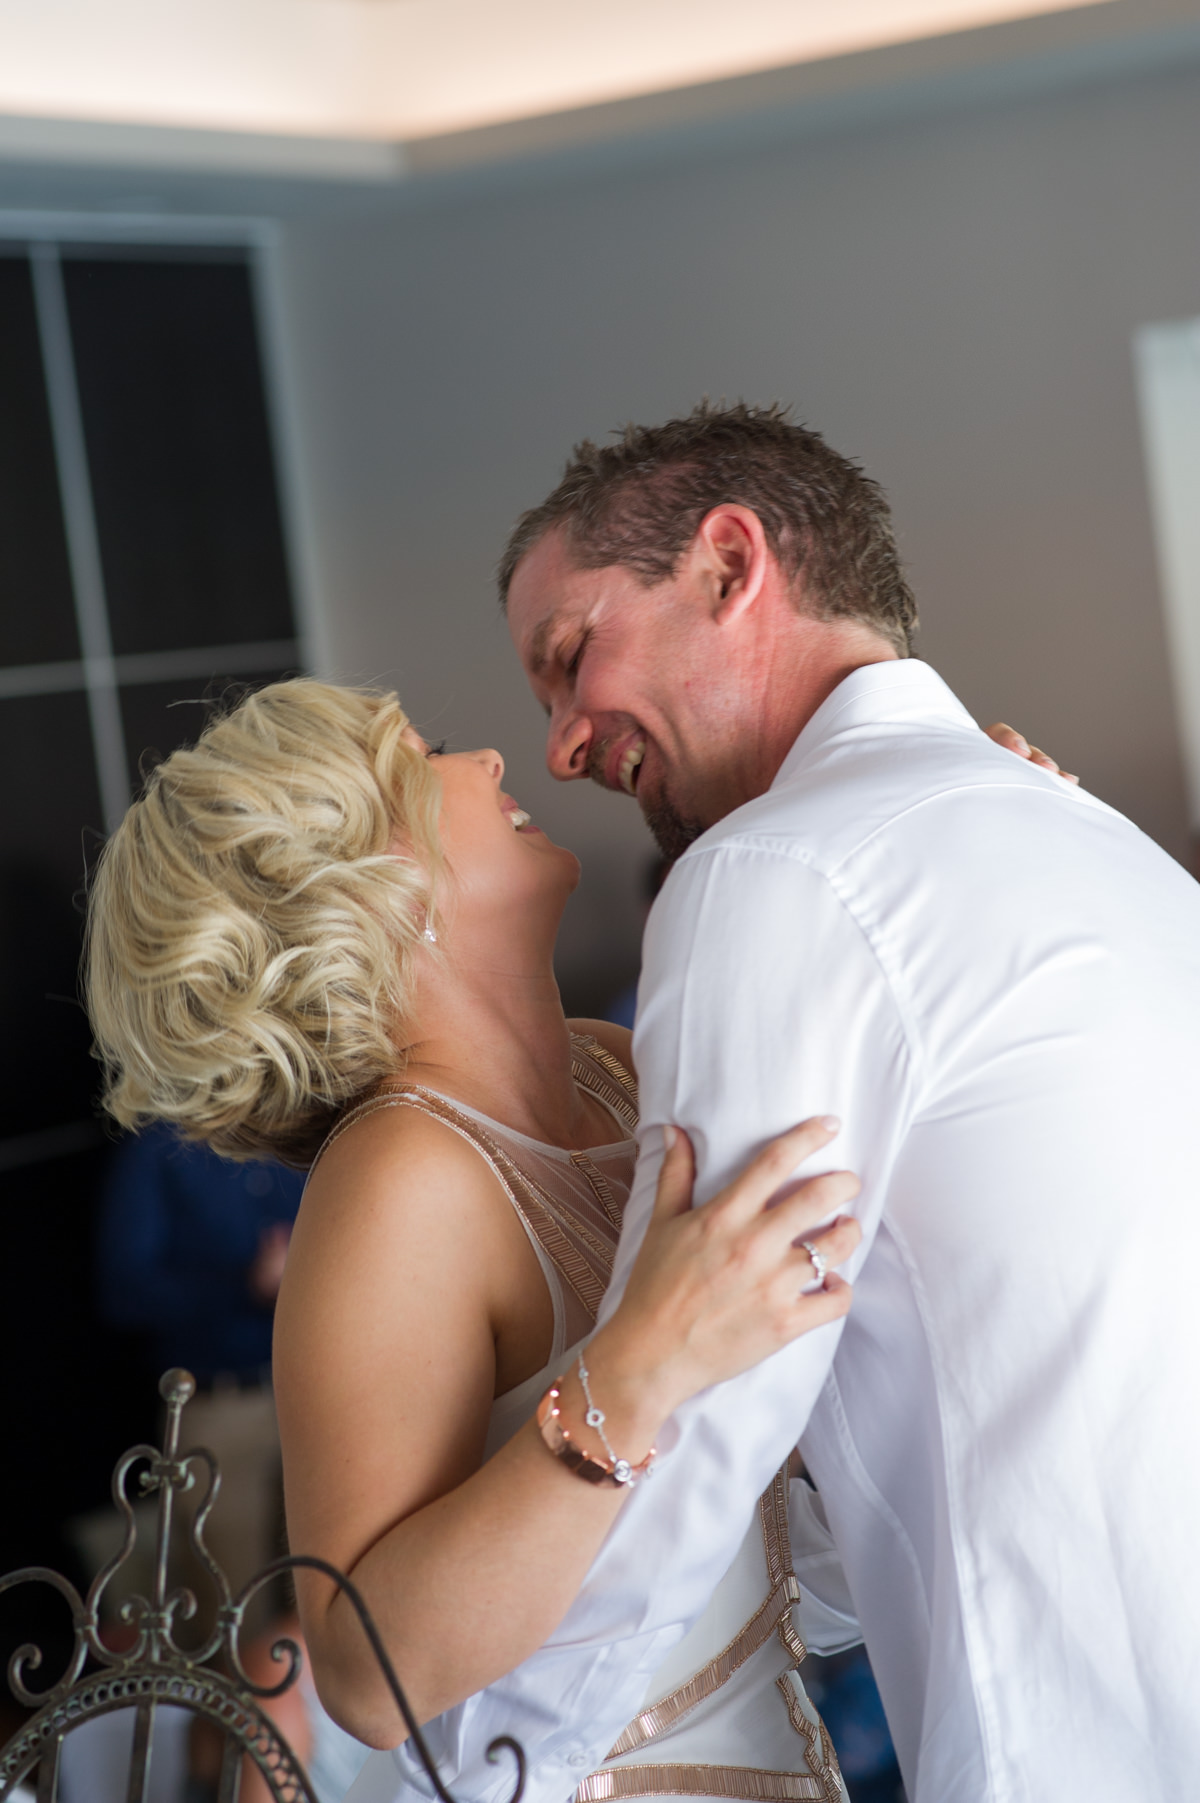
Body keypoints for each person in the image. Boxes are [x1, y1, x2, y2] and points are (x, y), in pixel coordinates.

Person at [421, 400, 1200, 1803]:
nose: (558, 746)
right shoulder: (1101, 843)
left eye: (570, 655)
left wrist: (454, 1774)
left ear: (729, 565)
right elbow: (902, 1449)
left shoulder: (774, 874)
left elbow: (698, 1444)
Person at [83, 679, 865, 1803]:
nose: (494, 760)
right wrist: (640, 1367)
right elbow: (363, 1670)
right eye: (432, 753)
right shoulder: (400, 1178)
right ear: (362, 881)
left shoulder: (615, 1067)